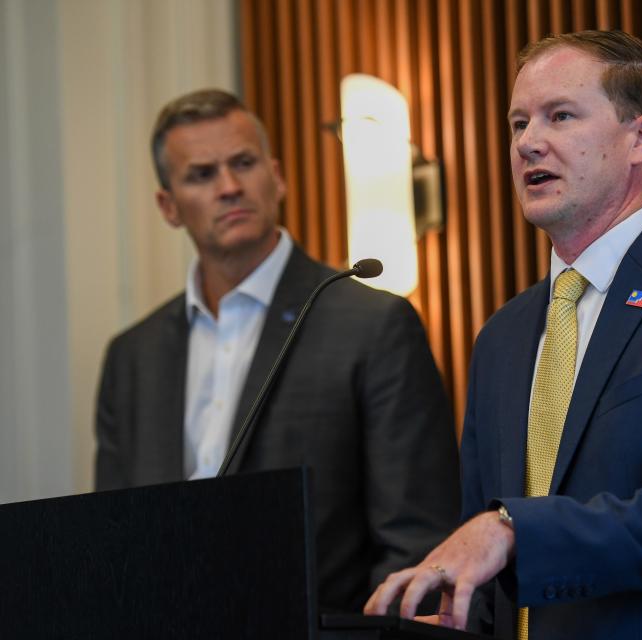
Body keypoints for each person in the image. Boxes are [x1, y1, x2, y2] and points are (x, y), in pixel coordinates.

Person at [365, 30, 642, 639]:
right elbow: (482, 549)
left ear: (641, 138)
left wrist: (512, 529)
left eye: (560, 116)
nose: (527, 143)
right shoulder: (501, 337)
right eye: (518, 123)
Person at [94, 89, 460, 613]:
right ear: (168, 207)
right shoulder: (132, 358)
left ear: (278, 176)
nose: (229, 187)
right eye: (202, 174)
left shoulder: (372, 326)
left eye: (243, 163)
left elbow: (415, 542)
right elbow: (112, 544)